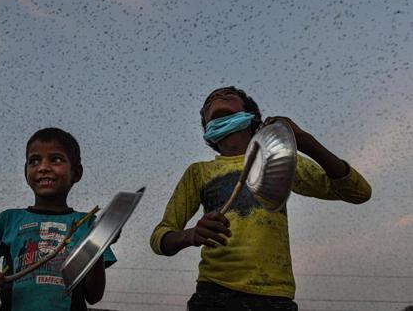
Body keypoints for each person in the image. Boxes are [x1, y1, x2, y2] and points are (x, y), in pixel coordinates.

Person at [149, 86, 371, 311]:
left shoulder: (277, 160)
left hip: (275, 294)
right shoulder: (198, 172)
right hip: (214, 292)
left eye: (227, 96)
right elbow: (160, 237)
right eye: (209, 103)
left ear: (251, 117)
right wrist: (191, 235)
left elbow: (358, 192)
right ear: (206, 126)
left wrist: (304, 141)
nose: (216, 98)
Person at [0, 127, 116, 311]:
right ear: (25, 173)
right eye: (34, 161)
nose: (43, 168)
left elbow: (94, 296)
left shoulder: (88, 223)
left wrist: (98, 243)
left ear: (77, 173)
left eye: (56, 160)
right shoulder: (9, 220)